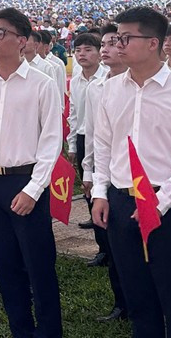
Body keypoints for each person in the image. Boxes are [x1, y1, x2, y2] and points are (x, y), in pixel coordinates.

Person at [92, 6, 171, 338]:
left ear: (153, 42)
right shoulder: (110, 90)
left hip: (167, 204)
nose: (118, 45)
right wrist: (100, 193)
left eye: (126, 38)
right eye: (117, 38)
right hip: (121, 201)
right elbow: (103, 146)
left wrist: (158, 205)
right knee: (137, 292)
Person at [0, 7, 63, 338]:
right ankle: (20, 329)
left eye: (0, 33)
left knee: (39, 266)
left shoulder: (42, 84)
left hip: (26, 181)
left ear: (22, 41)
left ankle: (49, 331)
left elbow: (52, 141)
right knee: (6, 265)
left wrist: (34, 190)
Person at [82, 24, 128, 322]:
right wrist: (88, 170)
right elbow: (92, 133)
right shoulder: (96, 87)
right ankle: (122, 303)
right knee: (115, 245)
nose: (107, 48)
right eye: (105, 43)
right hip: (105, 174)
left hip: (134, 177)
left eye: (115, 42)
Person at [66, 32, 107, 240]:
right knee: (88, 184)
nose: (82, 54)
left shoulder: (107, 79)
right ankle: (100, 239)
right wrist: (72, 144)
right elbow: (73, 114)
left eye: (88, 50)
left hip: (104, 141)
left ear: (100, 53)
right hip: (83, 138)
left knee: (105, 186)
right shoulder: (76, 81)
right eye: (78, 50)